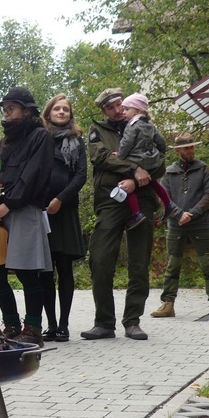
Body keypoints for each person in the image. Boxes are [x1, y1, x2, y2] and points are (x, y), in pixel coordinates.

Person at [81, 88, 155, 341]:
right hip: (110, 199)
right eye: (111, 107)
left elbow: (160, 159)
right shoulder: (97, 131)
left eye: (120, 104)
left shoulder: (142, 124)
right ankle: (104, 322)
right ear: (104, 111)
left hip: (142, 199)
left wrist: (137, 180)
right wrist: (135, 168)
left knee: (139, 262)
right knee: (100, 259)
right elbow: (100, 158)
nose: (118, 109)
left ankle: (132, 321)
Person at [0, 87, 54, 347]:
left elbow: (32, 176)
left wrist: (8, 205)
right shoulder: (1, 144)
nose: (6, 113)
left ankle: (33, 328)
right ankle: (11, 324)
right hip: (0, 215)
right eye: (5, 109)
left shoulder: (40, 137)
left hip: (23, 211)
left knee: (27, 273)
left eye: (11, 108)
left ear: (27, 110)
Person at [151, 132, 209, 319]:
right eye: (187, 148)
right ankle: (168, 304)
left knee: (208, 265)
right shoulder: (169, 172)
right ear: (178, 150)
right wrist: (178, 214)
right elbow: (164, 197)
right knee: (172, 265)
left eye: (192, 147)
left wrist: (192, 213)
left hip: (200, 224)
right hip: (176, 224)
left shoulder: (204, 169)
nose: (191, 150)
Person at [39, 94, 87, 342]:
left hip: (65, 210)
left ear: (70, 114)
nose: (61, 112)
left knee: (64, 268)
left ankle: (65, 325)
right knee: (45, 271)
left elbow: (81, 176)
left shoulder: (77, 141)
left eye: (65, 109)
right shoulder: (39, 139)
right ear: (48, 113)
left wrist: (61, 199)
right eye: (56, 109)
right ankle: (51, 324)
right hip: (43, 211)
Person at [115, 93, 178, 230]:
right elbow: (161, 142)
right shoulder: (150, 125)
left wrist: (120, 156)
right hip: (151, 160)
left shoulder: (131, 125)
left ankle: (136, 213)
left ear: (137, 110)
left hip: (136, 160)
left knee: (126, 185)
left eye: (126, 109)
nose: (123, 112)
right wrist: (158, 153)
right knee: (153, 182)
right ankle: (169, 204)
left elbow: (126, 143)